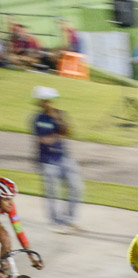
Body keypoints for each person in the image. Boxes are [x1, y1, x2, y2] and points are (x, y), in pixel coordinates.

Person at [32, 86, 84, 233]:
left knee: (76, 187)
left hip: (64, 158)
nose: (48, 104)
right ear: (40, 103)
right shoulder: (37, 119)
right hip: (48, 160)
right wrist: (58, 136)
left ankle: (70, 220)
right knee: (52, 193)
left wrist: (59, 120)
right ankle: (55, 222)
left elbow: (68, 132)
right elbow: (43, 140)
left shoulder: (59, 114)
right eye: (45, 101)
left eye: (50, 101)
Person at [0, 178, 43, 270]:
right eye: (7, 199)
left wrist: (31, 258)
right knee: (4, 236)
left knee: (6, 242)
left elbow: (19, 231)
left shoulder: (11, 207)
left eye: (12, 198)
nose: (10, 203)